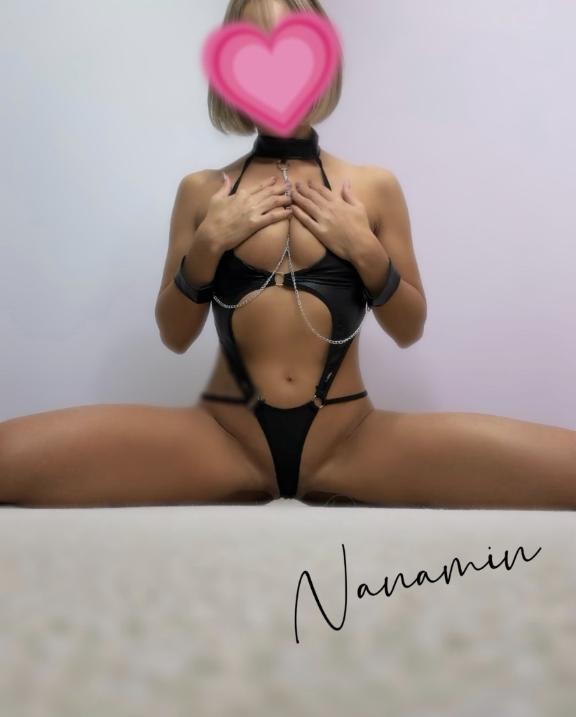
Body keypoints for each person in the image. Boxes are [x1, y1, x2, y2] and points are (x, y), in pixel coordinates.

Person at [1, 0, 575, 510]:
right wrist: (206, 247)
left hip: (352, 439)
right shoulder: (202, 191)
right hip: (224, 439)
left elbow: (409, 328)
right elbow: (174, 334)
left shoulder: (372, 188)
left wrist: (364, 250)